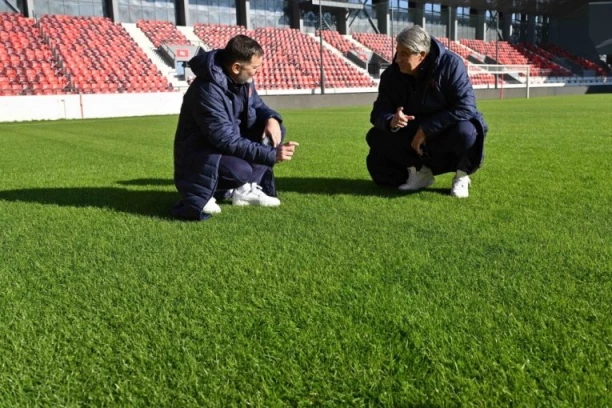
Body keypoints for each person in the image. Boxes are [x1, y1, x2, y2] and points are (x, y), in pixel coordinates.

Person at [172, 35, 299, 220]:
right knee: (240, 171)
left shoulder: (242, 80)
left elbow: (258, 106)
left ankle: (244, 191)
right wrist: (271, 155)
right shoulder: (207, 90)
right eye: (254, 68)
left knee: (275, 131)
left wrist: (272, 119)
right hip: (200, 154)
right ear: (236, 67)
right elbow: (225, 139)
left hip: (222, 146)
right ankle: (203, 191)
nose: (257, 72)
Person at [366, 25, 488, 198]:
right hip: (412, 132)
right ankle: (420, 172)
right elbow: (378, 112)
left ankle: (461, 175)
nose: (397, 59)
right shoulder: (391, 75)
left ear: (421, 55)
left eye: (404, 53)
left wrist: (426, 129)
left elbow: (466, 107)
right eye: (397, 51)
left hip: (445, 130)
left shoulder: (451, 64)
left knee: (467, 131)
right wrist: (391, 120)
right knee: (375, 138)